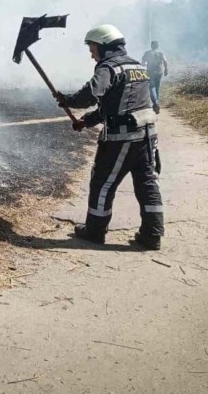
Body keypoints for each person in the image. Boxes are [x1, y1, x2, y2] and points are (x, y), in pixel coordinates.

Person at [55, 24, 164, 250]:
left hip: (121, 139)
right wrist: (88, 121)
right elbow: (117, 104)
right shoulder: (136, 66)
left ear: (104, 46)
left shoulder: (108, 67)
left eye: (92, 47)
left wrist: (69, 100)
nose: (91, 53)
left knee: (103, 183)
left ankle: (95, 231)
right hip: (147, 136)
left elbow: (92, 93)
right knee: (147, 183)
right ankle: (152, 234)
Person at [141, 40, 168, 113]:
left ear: (151, 46)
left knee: (152, 87)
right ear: (157, 46)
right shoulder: (161, 53)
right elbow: (165, 61)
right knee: (157, 88)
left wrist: (144, 66)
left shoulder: (147, 53)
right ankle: (157, 103)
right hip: (159, 72)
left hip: (151, 72)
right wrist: (166, 70)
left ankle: (155, 103)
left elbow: (143, 63)